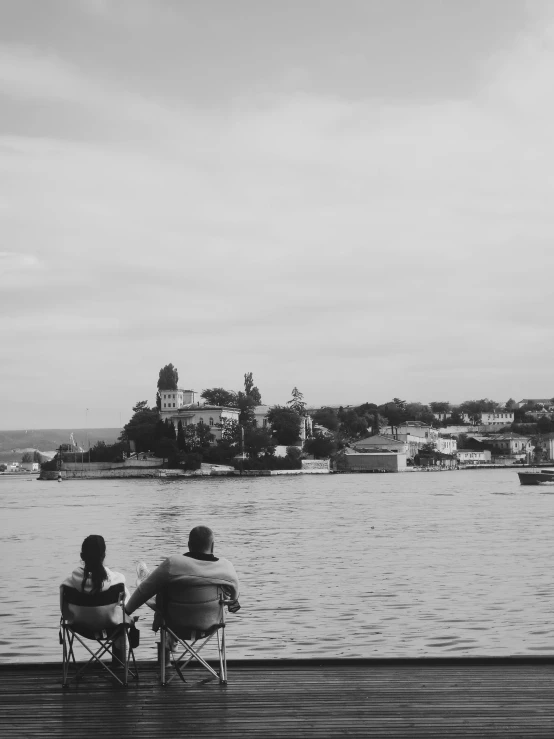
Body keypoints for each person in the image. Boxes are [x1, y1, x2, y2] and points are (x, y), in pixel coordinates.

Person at [124, 526, 240, 628]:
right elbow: (234, 601)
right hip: (212, 623)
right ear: (213, 546)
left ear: (189, 545)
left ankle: (145, 575)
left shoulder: (173, 564)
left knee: (151, 588)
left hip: (174, 623)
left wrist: (126, 611)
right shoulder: (226, 567)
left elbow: (144, 591)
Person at [60, 535, 131, 661]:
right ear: (103, 556)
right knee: (124, 613)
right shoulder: (118, 581)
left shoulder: (67, 585)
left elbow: (65, 613)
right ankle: (120, 660)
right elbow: (127, 607)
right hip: (111, 627)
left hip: (79, 627)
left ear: (82, 557)